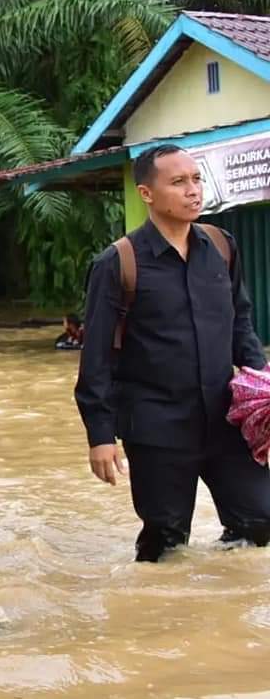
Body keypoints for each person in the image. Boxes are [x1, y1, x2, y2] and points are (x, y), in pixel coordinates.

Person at [76, 144, 270, 562]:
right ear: (146, 193)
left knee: (260, 521)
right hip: (157, 427)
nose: (192, 191)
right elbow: (96, 358)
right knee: (166, 546)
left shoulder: (221, 246)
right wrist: (100, 436)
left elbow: (241, 325)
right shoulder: (119, 262)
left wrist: (264, 394)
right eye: (178, 182)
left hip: (226, 419)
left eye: (196, 179)